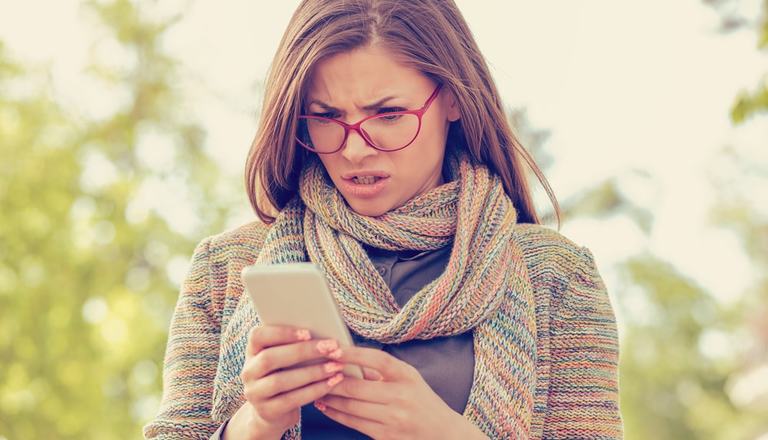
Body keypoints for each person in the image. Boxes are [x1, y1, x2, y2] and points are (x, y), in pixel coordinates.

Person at [143, 0, 624, 439]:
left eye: (389, 114)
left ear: (453, 99)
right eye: (326, 117)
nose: (354, 148)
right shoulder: (226, 268)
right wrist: (255, 423)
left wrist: (443, 433)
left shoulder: (558, 277)